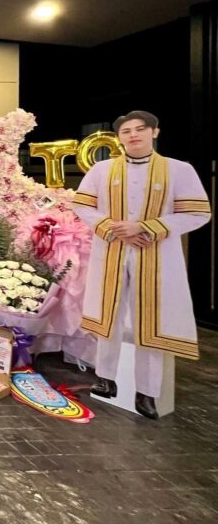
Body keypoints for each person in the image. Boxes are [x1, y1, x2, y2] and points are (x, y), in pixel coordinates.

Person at [72, 110, 211, 419]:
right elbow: (82, 205)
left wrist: (147, 227)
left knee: (151, 321)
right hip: (112, 250)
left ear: (154, 132)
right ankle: (105, 378)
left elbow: (198, 212)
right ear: (118, 137)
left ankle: (147, 393)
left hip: (156, 254)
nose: (133, 135)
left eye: (140, 129)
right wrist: (114, 228)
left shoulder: (179, 170)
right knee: (109, 313)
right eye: (126, 131)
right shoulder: (102, 169)